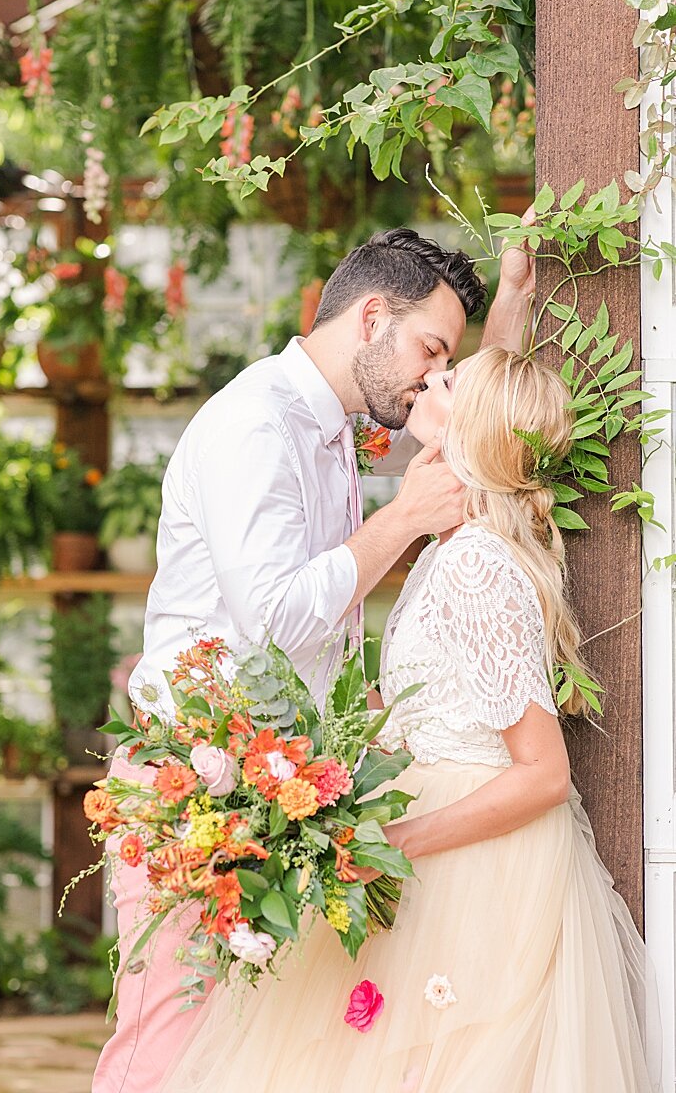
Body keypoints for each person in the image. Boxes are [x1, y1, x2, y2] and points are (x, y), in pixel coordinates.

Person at [93, 227, 534, 1093]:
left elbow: (477, 421)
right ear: (373, 316)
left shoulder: (335, 424)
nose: (427, 375)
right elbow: (272, 622)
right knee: (167, 1040)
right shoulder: (256, 423)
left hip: (273, 785)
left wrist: (510, 308)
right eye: (428, 349)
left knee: (241, 1051)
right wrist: (401, 519)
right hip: (195, 780)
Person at [154, 344, 658, 1092]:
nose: (432, 377)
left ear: (471, 427)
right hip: (425, 834)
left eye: (449, 378)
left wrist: (396, 840)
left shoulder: (479, 564)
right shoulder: (445, 549)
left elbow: (545, 773)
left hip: (472, 865)